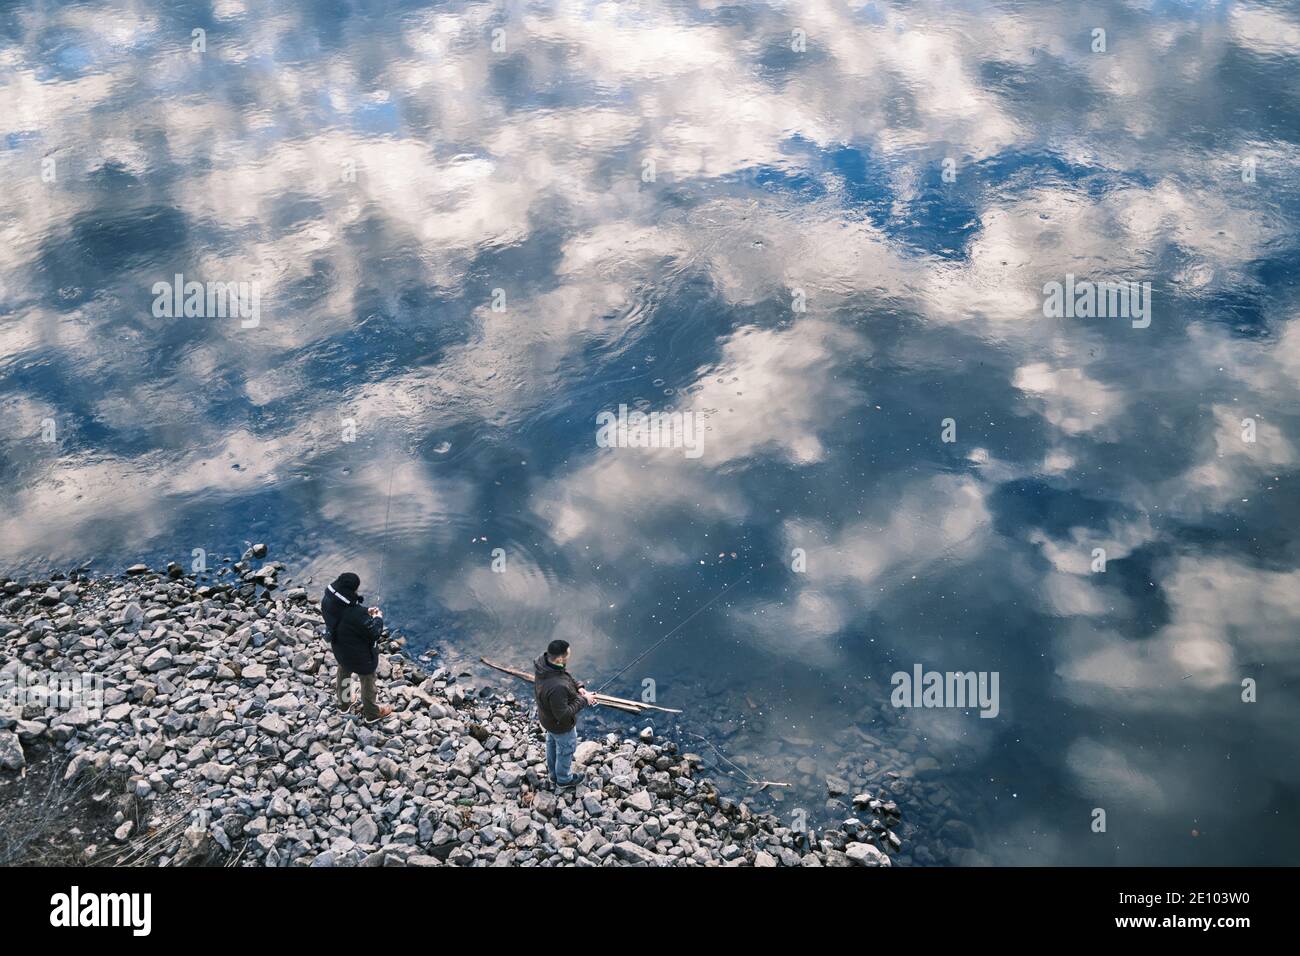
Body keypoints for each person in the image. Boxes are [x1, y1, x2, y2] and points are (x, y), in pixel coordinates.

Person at [320, 572, 393, 722]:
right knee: (367, 681)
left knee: (343, 672)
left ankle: (344, 704)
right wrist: (377, 618)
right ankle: (372, 713)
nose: (357, 592)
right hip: (361, 656)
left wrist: (365, 611)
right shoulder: (356, 614)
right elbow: (374, 633)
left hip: (340, 649)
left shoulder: (327, 600)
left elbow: (347, 613)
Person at [533, 639, 598, 789]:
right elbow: (563, 715)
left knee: (551, 744)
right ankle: (563, 779)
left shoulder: (543, 663)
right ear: (559, 658)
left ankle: (553, 775)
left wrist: (578, 687)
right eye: (568, 653)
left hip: (547, 720)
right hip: (560, 726)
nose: (570, 655)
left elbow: (564, 675)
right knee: (565, 750)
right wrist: (584, 699)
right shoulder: (557, 687)